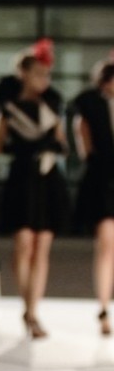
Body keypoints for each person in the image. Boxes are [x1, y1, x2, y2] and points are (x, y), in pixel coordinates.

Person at [0, 38, 70, 339]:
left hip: (47, 178)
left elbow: (63, 144)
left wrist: (53, 149)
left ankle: (33, 310)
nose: (43, 80)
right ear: (23, 74)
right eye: (38, 73)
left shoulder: (52, 107)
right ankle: (27, 306)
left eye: (46, 74)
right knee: (23, 243)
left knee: (42, 245)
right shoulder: (9, 110)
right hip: (22, 177)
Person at [72, 58, 114, 336]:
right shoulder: (89, 105)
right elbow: (85, 149)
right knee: (107, 244)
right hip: (104, 181)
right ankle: (103, 307)